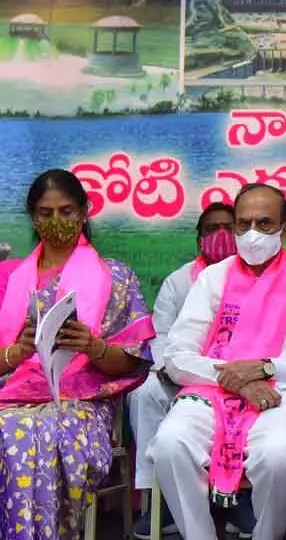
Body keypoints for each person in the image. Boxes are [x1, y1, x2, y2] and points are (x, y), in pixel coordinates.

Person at [150, 184, 286, 540]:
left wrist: (269, 369)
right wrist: (240, 380)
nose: (252, 233)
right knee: (170, 443)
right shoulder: (213, 277)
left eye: (264, 223)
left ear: (285, 230)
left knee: (277, 455)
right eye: (243, 224)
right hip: (212, 390)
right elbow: (177, 356)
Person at [0, 169, 154, 540]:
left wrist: (94, 347)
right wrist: (15, 353)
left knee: (28, 433)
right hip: (9, 395)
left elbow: (135, 361)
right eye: (46, 213)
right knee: (13, 427)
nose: (56, 222)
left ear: (85, 212)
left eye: (67, 212)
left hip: (81, 402)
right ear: (33, 216)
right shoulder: (8, 277)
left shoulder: (117, 277)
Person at [131, 202, 237, 539]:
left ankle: (240, 499)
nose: (220, 235)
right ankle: (158, 501)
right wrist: (167, 368)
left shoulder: (256, 278)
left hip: (236, 379)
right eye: (211, 229)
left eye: (228, 228)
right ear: (198, 239)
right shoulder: (179, 282)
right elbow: (160, 334)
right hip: (185, 377)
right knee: (144, 391)